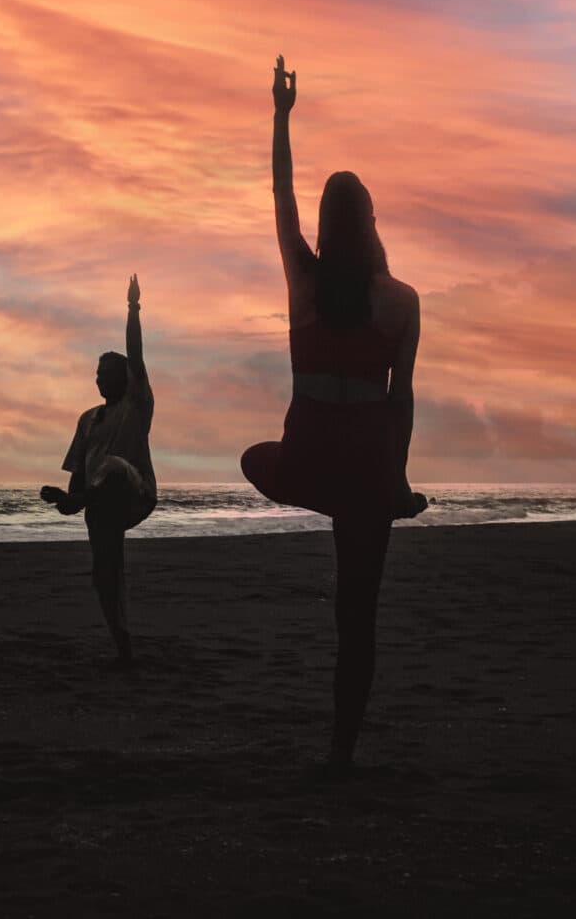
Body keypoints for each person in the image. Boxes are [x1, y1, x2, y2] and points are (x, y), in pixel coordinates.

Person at [240, 56, 429, 769]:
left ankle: (315, 491)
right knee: (359, 617)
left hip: (312, 457)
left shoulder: (304, 282)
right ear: (374, 221)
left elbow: (281, 196)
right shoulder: (403, 301)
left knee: (256, 460)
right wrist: (399, 484)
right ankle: (342, 749)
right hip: (369, 463)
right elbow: (401, 398)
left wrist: (282, 114)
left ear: (325, 225)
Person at [39, 273, 156, 667]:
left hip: (134, 493)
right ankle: (122, 643)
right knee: (105, 576)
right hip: (98, 503)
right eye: (97, 374)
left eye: (108, 374)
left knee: (114, 467)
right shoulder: (88, 419)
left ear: (124, 380)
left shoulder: (136, 405)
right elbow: (78, 468)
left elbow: (136, 356)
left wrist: (133, 307)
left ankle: (86, 499)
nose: (99, 379)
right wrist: (70, 500)